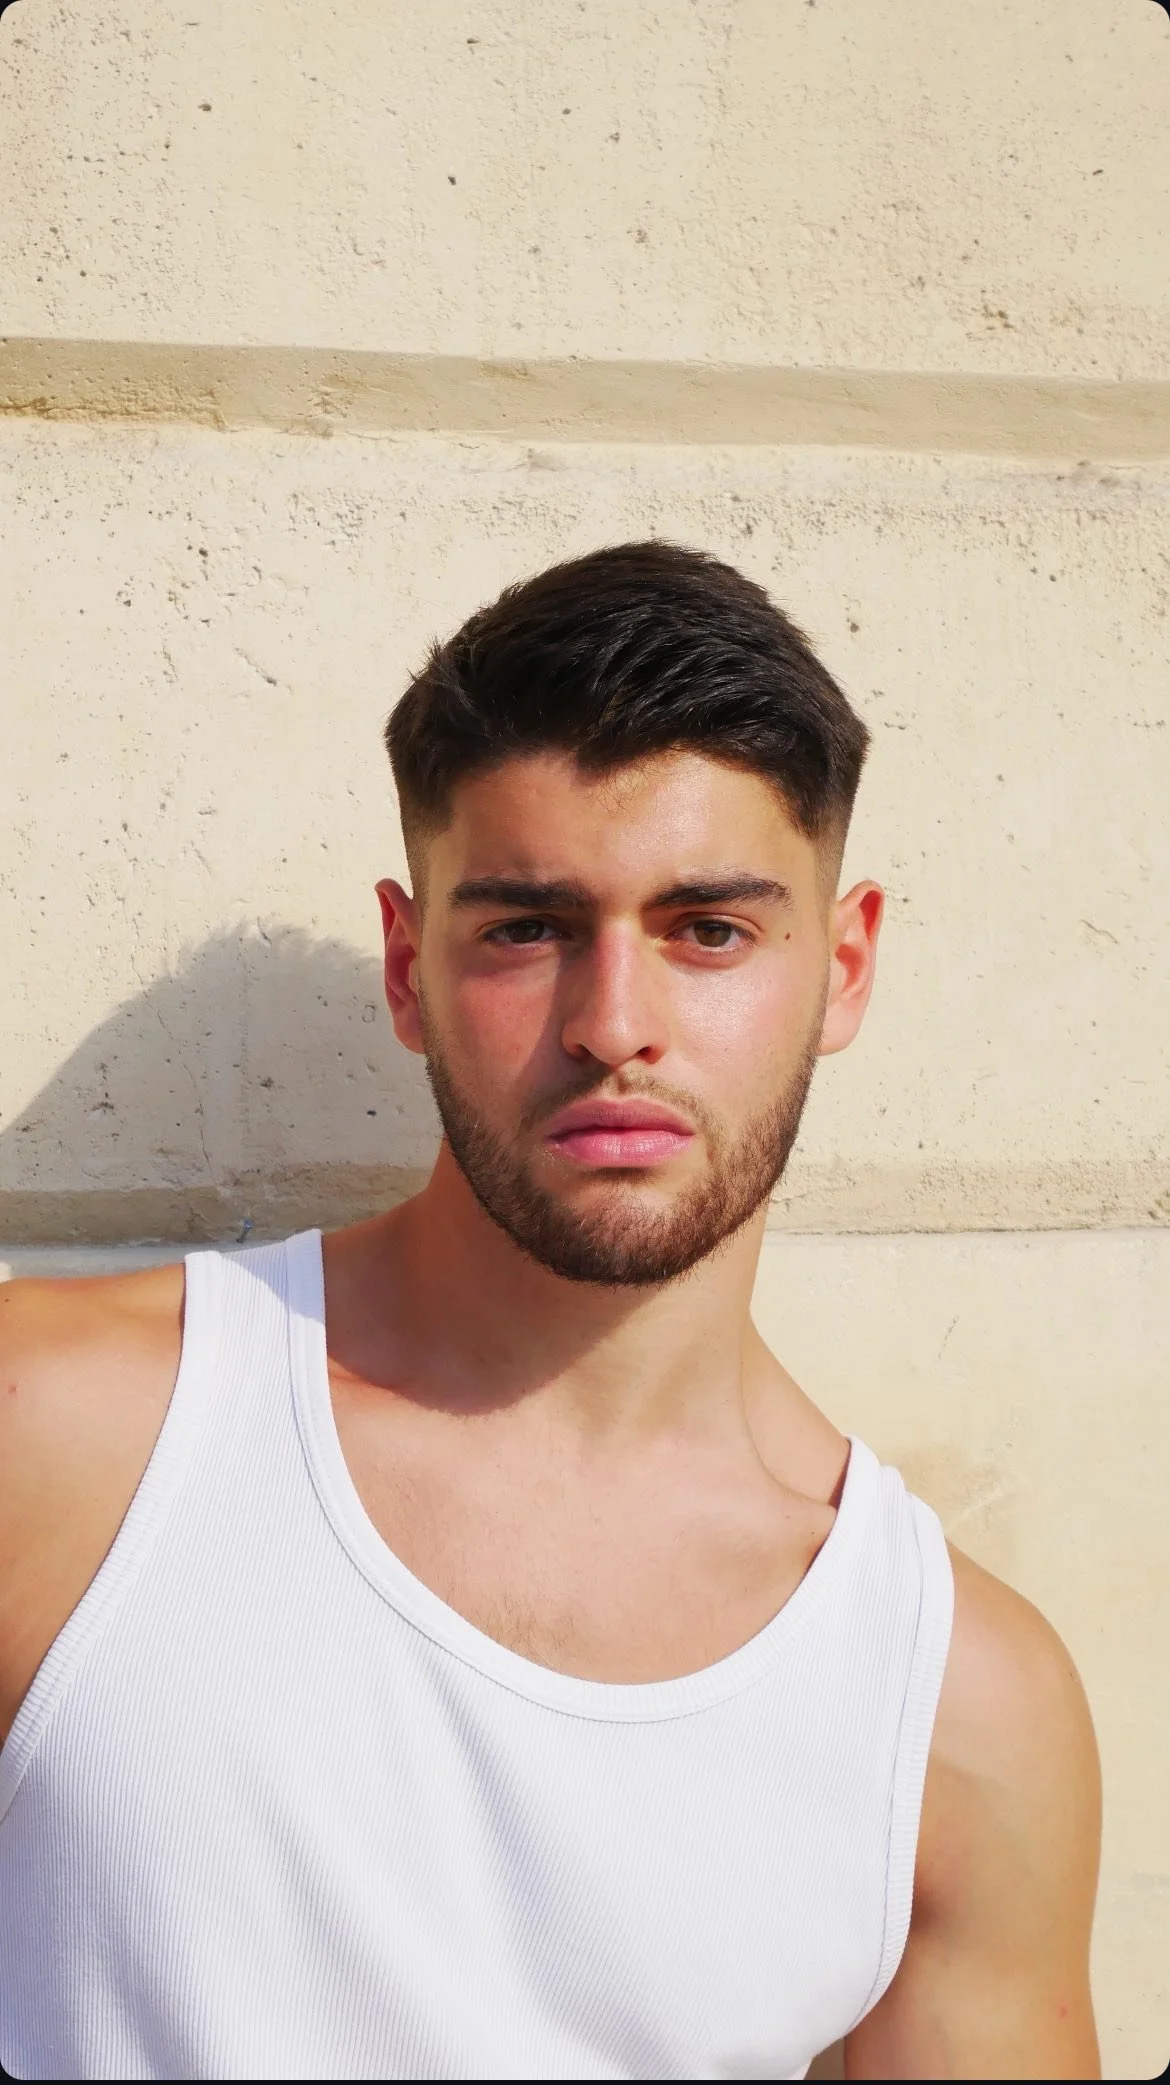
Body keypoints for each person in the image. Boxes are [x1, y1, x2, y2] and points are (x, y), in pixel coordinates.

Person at [0, 543, 1100, 2082]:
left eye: (707, 929)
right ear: (407, 968)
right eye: (526, 928)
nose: (612, 1026)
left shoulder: (958, 1707)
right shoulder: (57, 1437)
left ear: (842, 968)